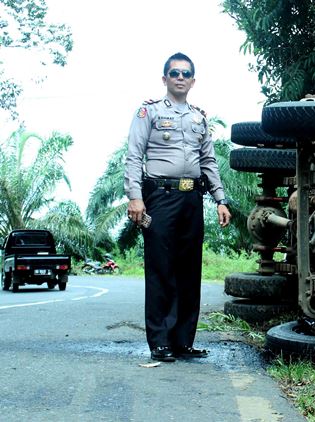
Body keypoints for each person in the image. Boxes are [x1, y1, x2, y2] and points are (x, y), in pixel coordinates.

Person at [124, 52, 232, 362]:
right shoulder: (149, 113)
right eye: (174, 73)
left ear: (193, 80)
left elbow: (208, 161)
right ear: (165, 79)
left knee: (188, 271)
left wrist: (220, 199)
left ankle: (183, 341)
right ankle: (160, 342)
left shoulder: (199, 118)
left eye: (186, 73)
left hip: (191, 200)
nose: (180, 77)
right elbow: (134, 156)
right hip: (159, 197)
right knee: (161, 271)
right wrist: (136, 197)